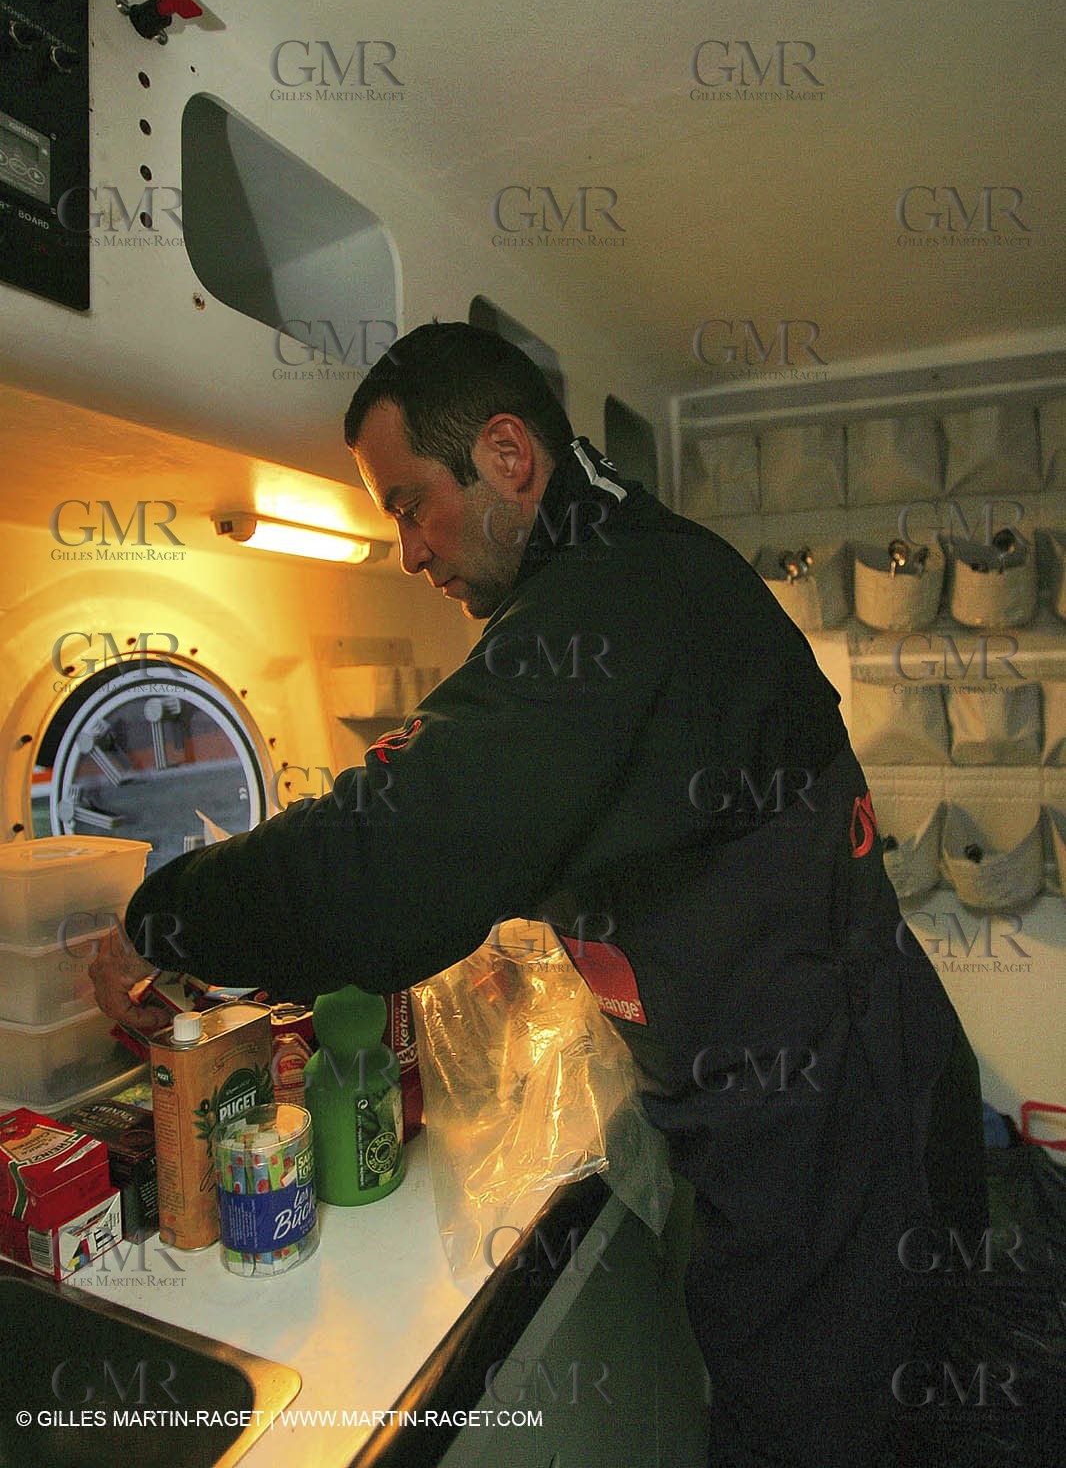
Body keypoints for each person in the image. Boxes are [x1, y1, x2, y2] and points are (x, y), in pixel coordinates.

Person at [91, 320, 987, 1466]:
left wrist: (154, 915)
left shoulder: (614, 602)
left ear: (507, 454)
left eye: (410, 503)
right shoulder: (620, 566)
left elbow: (394, 860)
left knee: (817, 1429)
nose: (408, 550)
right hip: (801, 1090)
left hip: (829, 1123)